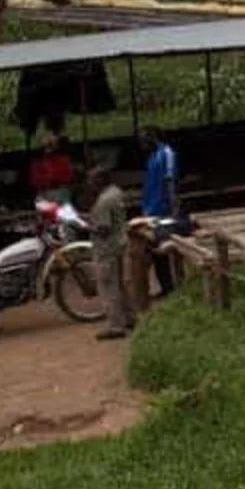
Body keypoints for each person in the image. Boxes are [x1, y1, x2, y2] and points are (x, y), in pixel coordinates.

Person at [86, 168, 134, 340]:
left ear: (100, 181)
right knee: (121, 284)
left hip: (106, 249)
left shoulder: (103, 202)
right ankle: (130, 318)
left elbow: (103, 228)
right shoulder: (116, 193)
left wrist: (86, 226)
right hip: (120, 244)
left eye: (91, 180)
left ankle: (115, 325)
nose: (89, 184)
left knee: (108, 286)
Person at [137, 127, 180, 297]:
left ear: (152, 137)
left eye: (143, 139)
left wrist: (173, 204)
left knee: (166, 248)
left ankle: (175, 285)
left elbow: (169, 180)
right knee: (156, 250)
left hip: (162, 209)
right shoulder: (152, 156)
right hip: (151, 209)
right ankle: (166, 286)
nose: (141, 143)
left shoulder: (167, 153)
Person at [30, 131, 76, 204]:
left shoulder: (63, 161)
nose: (48, 149)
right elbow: (35, 181)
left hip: (60, 192)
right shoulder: (38, 163)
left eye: (51, 145)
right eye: (47, 145)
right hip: (45, 193)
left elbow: (69, 177)